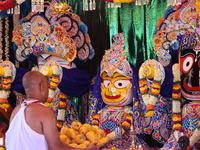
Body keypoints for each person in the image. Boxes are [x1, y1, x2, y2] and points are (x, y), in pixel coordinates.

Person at [5, 71, 101, 150]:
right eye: (48, 86)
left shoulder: (16, 111)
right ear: (42, 86)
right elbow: (55, 147)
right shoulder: (44, 112)